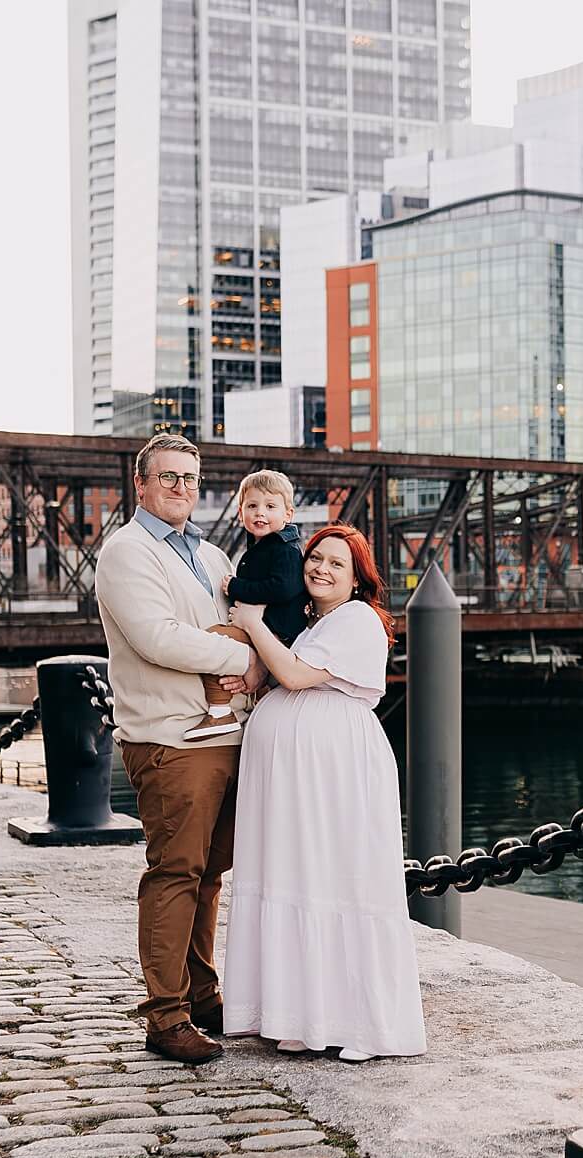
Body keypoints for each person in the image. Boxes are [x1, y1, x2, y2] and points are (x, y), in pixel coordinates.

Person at [221, 524, 425, 1061]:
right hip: (300, 777)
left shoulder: (358, 618)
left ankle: (350, 1021)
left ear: (358, 579)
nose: (321, 569)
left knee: (334, 879)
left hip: (332, 773)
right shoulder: (319, 623)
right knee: (299, 875)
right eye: (315, 559)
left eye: (337, 563)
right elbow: (284, 674)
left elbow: (293, 675)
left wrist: (251, 622)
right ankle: (300, 1011)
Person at [93, 432, 254, 1066]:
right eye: (167, 477)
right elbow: (159, 639)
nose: (180, 487)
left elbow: (236, 618)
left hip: (225, 733)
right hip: (172, 738)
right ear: (141, 484)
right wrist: (246, 657)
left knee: (210, 873)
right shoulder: (126, 553)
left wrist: (241, 649)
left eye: (189, 477)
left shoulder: (211, 556)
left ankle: (202, 991)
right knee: (176, 873)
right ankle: (164, 1016)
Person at [184, 469, 306, 741]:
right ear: (241, 514)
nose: (260, 512)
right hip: (263, 628)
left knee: (217, 637)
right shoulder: (261, 548)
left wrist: (236, 587)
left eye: (270, 506)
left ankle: (218, 711)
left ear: (288, 515)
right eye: (252, 506)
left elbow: (283, 587)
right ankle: (258, 711)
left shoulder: (285, 549)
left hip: (279, 631)